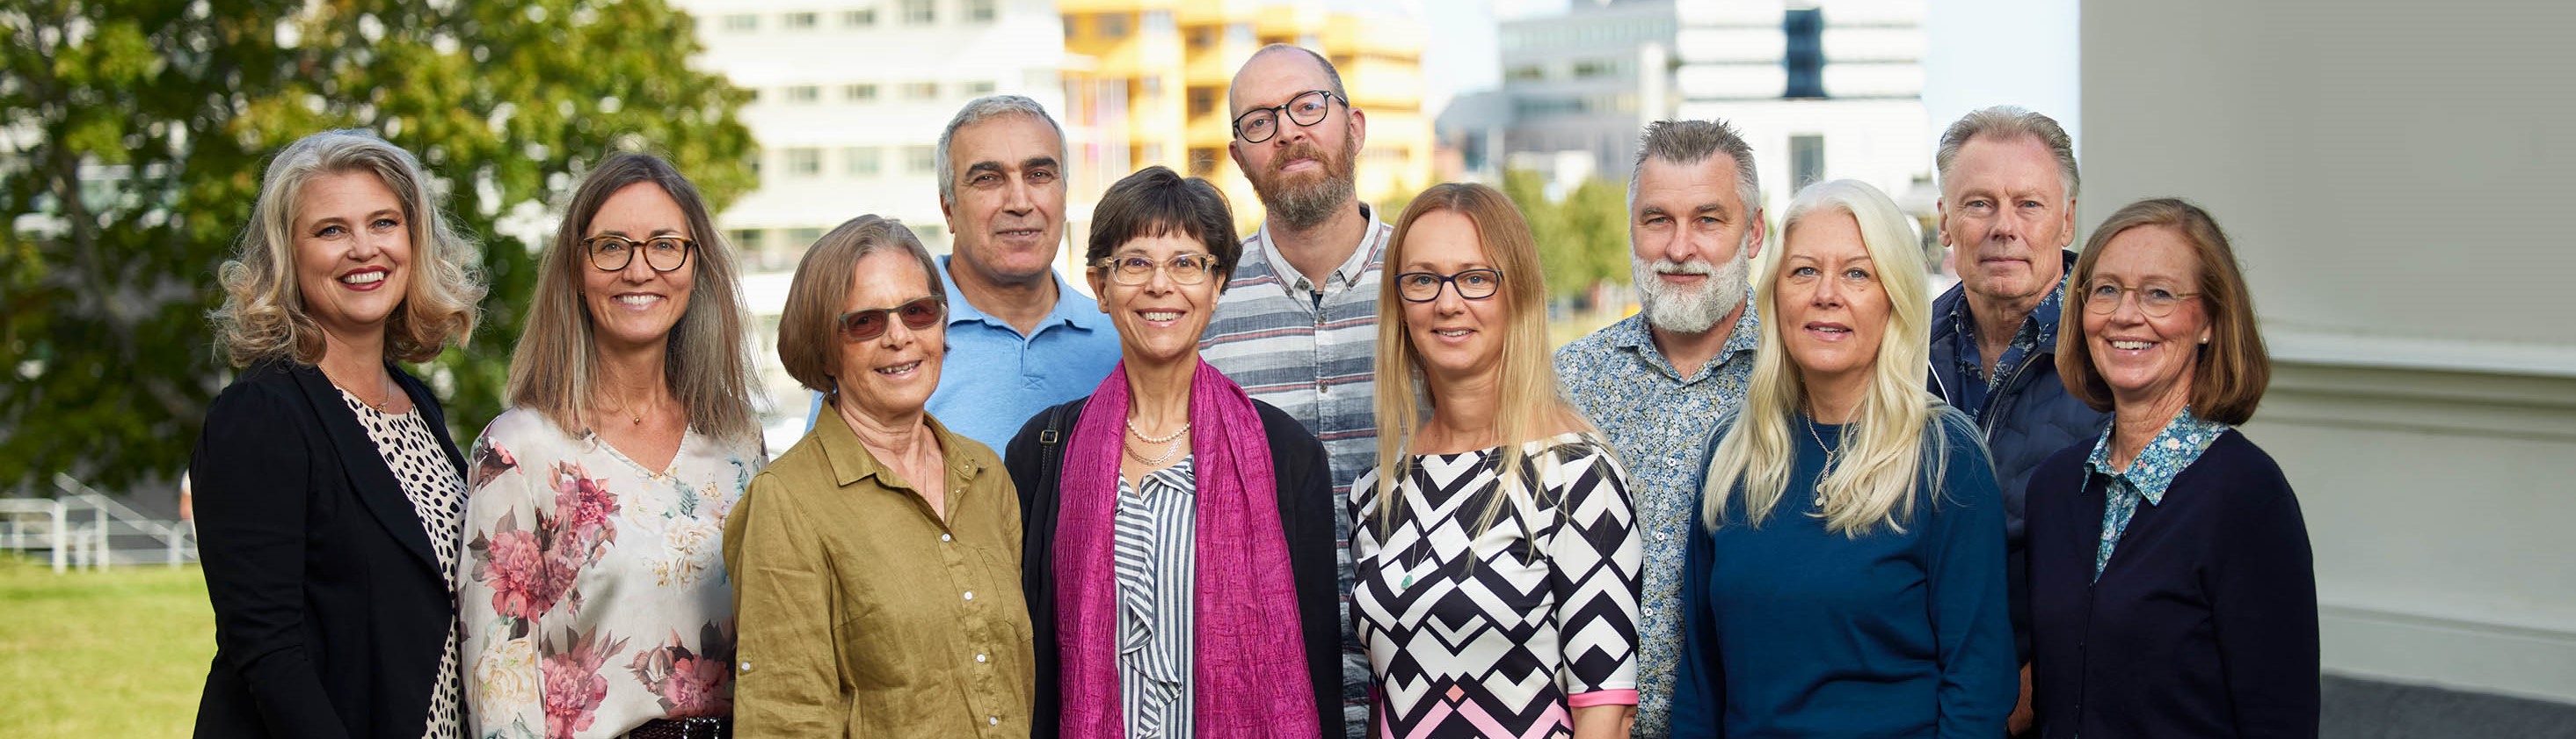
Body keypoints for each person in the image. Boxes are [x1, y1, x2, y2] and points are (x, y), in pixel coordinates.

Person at [1672, 179, 2014, 737]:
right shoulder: (1732, 455)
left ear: (1895, 298)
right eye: (1804, 271)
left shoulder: (1946, 459)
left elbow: (1977, 689)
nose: (1826, 293)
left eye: (1857, 273)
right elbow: (1700, 682)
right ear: (1776, 294)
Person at [1007, 166, 1341, 739]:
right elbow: (1022, 666)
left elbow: (1317, 670)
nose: (1161, 285)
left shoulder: (1288, 457)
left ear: (1218, 284)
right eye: (1136, 262)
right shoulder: (1042, 453)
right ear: (1101, 286)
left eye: (1186, 262)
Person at [456, 153, 766, 738]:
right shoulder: (520, 451)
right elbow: (501, 683)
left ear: (695, 266)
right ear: (577, 269)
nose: (639, 269)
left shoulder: (737, 441)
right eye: (612, 246)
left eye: (664, 244)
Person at [193, 128, 485, 738]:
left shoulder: (417, 404)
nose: (363, 249)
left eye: (383, 223)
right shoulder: (260, 417)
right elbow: (268, 653)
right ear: (287, 256)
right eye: (331, 231)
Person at [1350, 182, 1642, 739]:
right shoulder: (1377, 492)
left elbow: (1606, 715)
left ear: (1520, 295)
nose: (1447, 301)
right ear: (1399, 304)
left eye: (1476, 278)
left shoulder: (1579, 476)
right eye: (1422, 279)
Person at [725, 216, 1037, 736]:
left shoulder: (986, 474)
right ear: (824, 346)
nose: (899, 338)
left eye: (918, 312)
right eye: (866, 322)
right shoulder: (786, 502)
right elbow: (786, 717)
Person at [2026, 199, 2317, 738]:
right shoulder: (2054, 489)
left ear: (2207, 320)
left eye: (2158, 293)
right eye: (2106, 289)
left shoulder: (2248, 496)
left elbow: (2281, 719)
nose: (2124, 315)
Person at [1199, 44, 1393, 736]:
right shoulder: (1203, 307)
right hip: (1268, 696)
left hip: (1431, 685)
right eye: (1259, 121)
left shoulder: (1431, 286)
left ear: (1356, 127)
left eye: (1309, 106)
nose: (1287, 131)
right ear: (1239, 155)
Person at [1554, 118, 1765, 739]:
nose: (1679, 247)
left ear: (1752, 232)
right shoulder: (1565, 383)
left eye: (1707, 219)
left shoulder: (1801, 380)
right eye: (1657, 220)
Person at [1926, 106, 2108, 731]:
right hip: (1924, 696)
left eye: (2028, 204)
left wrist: (2025, 694)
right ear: (1945, 222)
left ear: (2067, 219)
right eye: (1979, 204)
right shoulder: (1896, 351)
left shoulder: (2117, 351)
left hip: (2068, 703)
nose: (2004, 227)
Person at [804, 95, 1120, 451]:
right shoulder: (883, 337)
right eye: (988, 178)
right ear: (948, 209)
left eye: (1039, 175)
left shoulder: (1120, 339)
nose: (1019, 202)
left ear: (1064, 194)